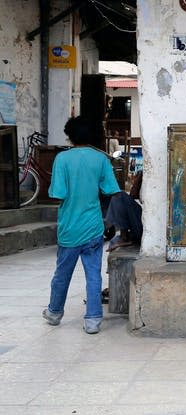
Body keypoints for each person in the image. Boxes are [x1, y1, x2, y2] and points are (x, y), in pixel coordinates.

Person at [43, 116, 121, 334]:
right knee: (93, 275)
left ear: (70, 136)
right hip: (94, 227)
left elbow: (58, 194)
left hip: (69, 228)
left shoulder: (62, 159)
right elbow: (111, 190)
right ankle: (93, 320)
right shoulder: (101, 159)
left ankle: (54, 313)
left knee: (62, 274)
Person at [104, 170, 143, 252]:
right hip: (139, 225)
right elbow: (133, 195)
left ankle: (123, 236)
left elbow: (133, 194)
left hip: (142, 227)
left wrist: (139, 178)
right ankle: (120, 234)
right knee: (113, 242)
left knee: (120, 196)